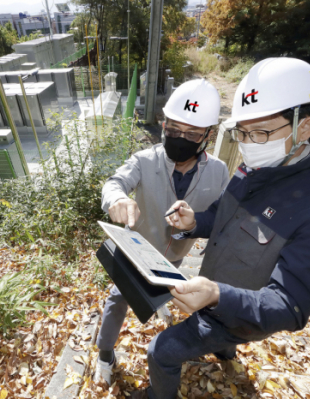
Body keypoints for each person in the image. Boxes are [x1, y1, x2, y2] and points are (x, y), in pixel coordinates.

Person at [131, 58, 310, 399]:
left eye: (260, 132)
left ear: (305, 126)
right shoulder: (261, 163)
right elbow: (224, 215)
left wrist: (217, 296)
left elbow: (291, 305)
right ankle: (225, 352)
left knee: (161, 350)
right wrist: (196, 221)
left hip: (240, 315)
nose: (247, 144)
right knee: (210, 340)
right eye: (242, 132)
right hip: (216, 288)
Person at [95, 79, 230, 385]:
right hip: (136, 252)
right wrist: (117, 199)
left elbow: (223, 212)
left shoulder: (219, 171)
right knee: (118, 299)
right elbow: (114, 183)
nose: (181, 139)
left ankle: (160, 306)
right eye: (173, 129)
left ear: (208, 134)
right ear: (163, 124)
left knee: (166, 288)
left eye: (192, 134)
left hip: (176, 258)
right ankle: (105, 352)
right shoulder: (145, 160)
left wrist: (201, 226)